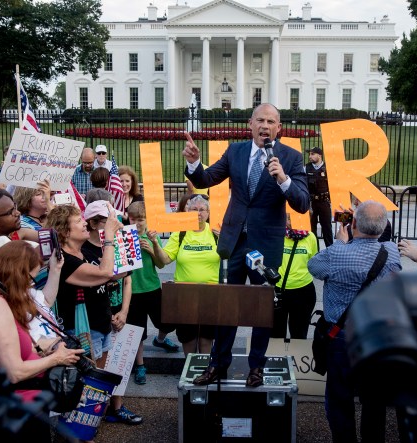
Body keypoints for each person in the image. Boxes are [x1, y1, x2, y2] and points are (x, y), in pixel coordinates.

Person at [183, 103, 309, 388]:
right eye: (260, 120)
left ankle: (257, 367)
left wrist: (283, 179)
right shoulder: (235, 151)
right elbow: (206, 179)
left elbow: (302, 202)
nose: (265, 126)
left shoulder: (290, 158)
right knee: (226, 305)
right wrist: (194, 163)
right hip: (233, 241)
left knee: (261, 307)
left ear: (279, 128)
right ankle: (218, 363)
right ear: (250, 124)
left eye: (271, 121)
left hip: (266, 244)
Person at [0, 241, 84, 443]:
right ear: (19, 273)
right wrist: (56, 358)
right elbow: (14, 372)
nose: (31, 285)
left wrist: (38, 350)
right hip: (15, 409)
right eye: (32, 279)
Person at [307, 200, 402, 443]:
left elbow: (313, 266)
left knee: (340, 398)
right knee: (373, 400)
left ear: (354, 223)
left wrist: (341, 241)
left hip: (341, 336)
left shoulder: (337, 252)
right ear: (383, 228)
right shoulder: (390, 251)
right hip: (375, 336)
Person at [45, 202, 143, 425]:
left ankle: (88, 422)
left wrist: (126, 247)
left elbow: (115, 275)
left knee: (97, 378)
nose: (85, 224)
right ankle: (78, 428)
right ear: (64, 231)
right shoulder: (65, 261)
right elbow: (105, 271)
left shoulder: (80, 253)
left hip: (100, 322)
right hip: (82, 330)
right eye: (79, 221)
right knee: (86, 381)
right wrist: (109, 236)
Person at [148, 194, 221, 358]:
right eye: (194, 209)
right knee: (188, 336)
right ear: (187, 211)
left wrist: (225, 238)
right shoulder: (180, 233)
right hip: (185, 294)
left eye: (202, 210)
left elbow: (228, 255)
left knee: (206, 336)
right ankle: (190, 368)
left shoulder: (215, 232)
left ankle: (205, 369)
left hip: (211, 293)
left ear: (209, 213)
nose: (198, 213)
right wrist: (154, 243)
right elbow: (165, 259)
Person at [125, 201, 179, 385]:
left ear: (147, 220)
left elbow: (161, 264)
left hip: (153, 287)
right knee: (137, 330)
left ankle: (160, 339)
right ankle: (140, 365)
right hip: (133, 291)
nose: (137, 223)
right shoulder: (125, 238)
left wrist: (153, 248)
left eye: (141, 220)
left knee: (167, 322)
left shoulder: (151, 238)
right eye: (133, 219)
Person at [272, 214, 317, 339]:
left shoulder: (311, 237)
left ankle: (295, 359)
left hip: (303, 292)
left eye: (295, 218)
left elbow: (313, 262)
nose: (291, 222)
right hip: (278, 292)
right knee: (276, 336)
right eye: (288, 218)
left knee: (299, 335)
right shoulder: (277, 234)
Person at [306, 146, 333, 247]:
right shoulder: (306, 168)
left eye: (312, 154)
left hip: (324, 202)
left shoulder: (327, 168)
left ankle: (330, 252)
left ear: (319, 155)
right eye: (309, 154)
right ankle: (314, 252)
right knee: (311, 230)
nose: (310, 156)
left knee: (327, 228)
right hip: (311, 203)